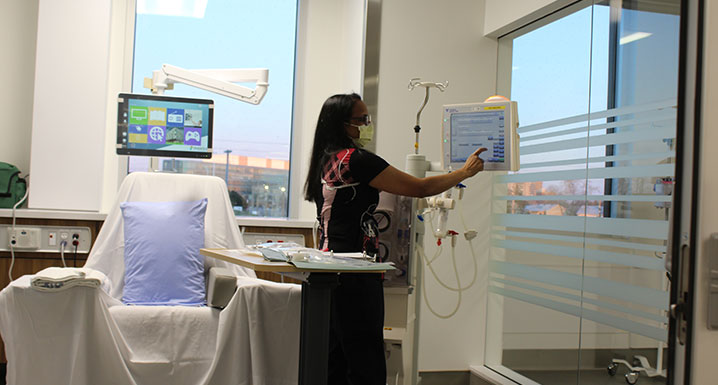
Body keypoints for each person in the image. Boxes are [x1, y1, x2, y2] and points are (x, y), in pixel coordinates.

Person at [304, 93, 486, 385]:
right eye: (361, 120)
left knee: (335, 361)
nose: (367, 125)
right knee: (366, 364)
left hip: (328, 269)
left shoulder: (326, 160)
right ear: (342, 124)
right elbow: (421, 187)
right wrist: (463, 173)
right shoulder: (357, 161)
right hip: (355, 272)